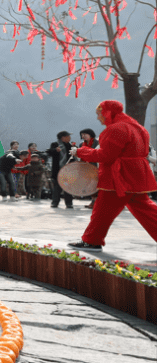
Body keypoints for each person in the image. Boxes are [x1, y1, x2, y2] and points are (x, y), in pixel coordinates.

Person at [69, 100, 157, 251]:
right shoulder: (138, 128)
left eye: (99, 114)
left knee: (102, 210)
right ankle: (92, 240)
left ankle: (92, 241)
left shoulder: (116, 128)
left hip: (119, 176)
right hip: (137, 175)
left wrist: (80, 151)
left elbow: (106, 155)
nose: (98, 118)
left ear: (108, 113)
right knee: (147, 210)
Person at [48, 131, 74, 209]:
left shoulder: (70, 145)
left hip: (68, 169)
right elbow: (49, 152)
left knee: (68, 187)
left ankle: (69, 203)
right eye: (68, 136)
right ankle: (55, 202)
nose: (70, 137)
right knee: (57, 187)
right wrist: (55, 150)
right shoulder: (55, 144)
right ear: (63, 137)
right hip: (58, 169)